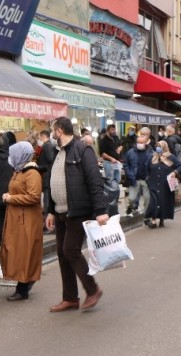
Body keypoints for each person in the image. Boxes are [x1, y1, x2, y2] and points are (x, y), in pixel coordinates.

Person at [46, 117, 109, 312]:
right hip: (60, 212)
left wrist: (100, 211)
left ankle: (93, 289)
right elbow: (52, 183)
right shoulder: (58, 152)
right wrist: (50, 211)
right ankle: (70, 298)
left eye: (52, 131)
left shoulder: (83, 150)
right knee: (62, 254)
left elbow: (95, 181)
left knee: (70, 250)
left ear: (58, 131)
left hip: (78, 210)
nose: (51, 135)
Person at [0, 142, 43, 301]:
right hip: (17, 218)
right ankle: (23, 282)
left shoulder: (32, 173)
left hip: (26, 219)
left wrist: (12, 198)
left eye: (13, 154)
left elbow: (34, 196)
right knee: (17, 251)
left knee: (24, 252)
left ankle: (23, 287)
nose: (10, 157)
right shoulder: (19, 171)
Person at [144, 140, 181, 228]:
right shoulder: (152, 157)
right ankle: (153, 221)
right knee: (154, 201)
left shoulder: (171, 157)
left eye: (160, 146)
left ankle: (161, 218)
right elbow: (146, 166)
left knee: (162, 201)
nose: (158, 148)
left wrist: (175, 172)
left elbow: (180, 166)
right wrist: (147, 178)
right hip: (153, 183)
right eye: (157, 146)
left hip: (165, 184)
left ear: (164, 147)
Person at [123, 132, 153, 216]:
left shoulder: (150, 153)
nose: (139, 144)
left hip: (146, 179)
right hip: (134, 179)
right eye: (138, 142)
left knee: (147, 198)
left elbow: (153, 165)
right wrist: (129, 174)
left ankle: (146, 215)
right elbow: (125, 164)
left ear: (146, 143)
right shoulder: (130, 152)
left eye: (141, 143)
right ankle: (130, 207)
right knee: (131, 198)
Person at [37, 130, 57, 232]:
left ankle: (49, 224)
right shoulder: (48, 145)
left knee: (47, 200)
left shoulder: (47, 146)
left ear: (43, 136)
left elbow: (50, 160)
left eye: (39, 136)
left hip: (47, 177)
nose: (38, 139)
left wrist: (39, 167)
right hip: (47, 176)